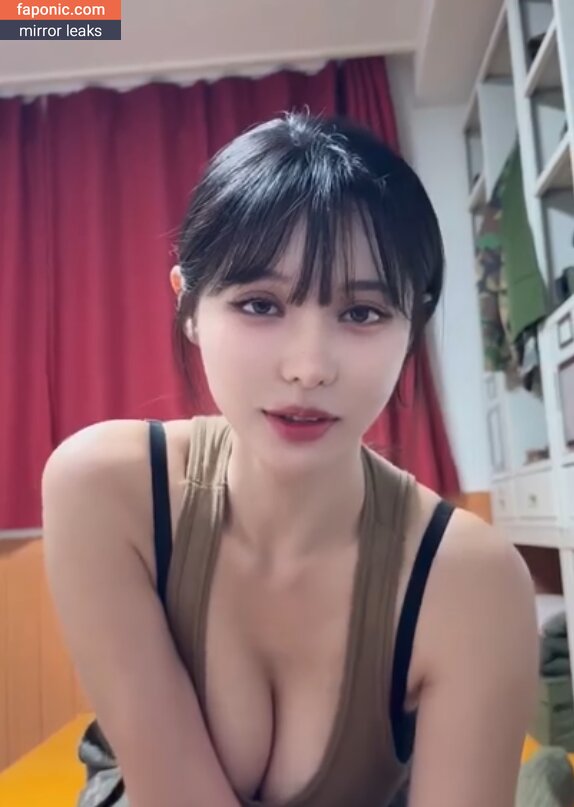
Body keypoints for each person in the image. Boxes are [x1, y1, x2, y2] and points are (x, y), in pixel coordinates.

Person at [41, 112, 539, 807]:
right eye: (259, 304)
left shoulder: (470, 582)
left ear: (412, 326)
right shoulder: (105, 490)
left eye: (362, 313)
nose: (308, 368)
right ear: (189, 306)